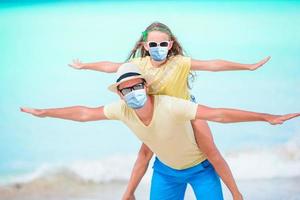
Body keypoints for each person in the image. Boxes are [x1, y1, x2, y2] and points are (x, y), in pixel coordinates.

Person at [21, 63, 299, 200]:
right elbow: (84, 113)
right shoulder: (123, 111)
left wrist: (266, 117)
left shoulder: (173, 106)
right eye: (125, 89)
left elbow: (219, 114)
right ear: (120, 94)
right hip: (165, 173)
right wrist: (45, 113)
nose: (132, 92)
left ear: (146, 86)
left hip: (201, 170)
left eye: (136, 86)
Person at [68, 22, 270, 200]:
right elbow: (110, 67)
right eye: (153, 44)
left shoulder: (179, 62)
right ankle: (129, 193)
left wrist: (247, 66)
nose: (158, 48)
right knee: (145, 152)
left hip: (186, 112)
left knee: (210, 151)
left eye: (163, 44)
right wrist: (85, 66)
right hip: (158, 115)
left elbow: (213, 65)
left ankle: (236, 193)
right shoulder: (138, 65)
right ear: (145, 46)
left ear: (170, 44)